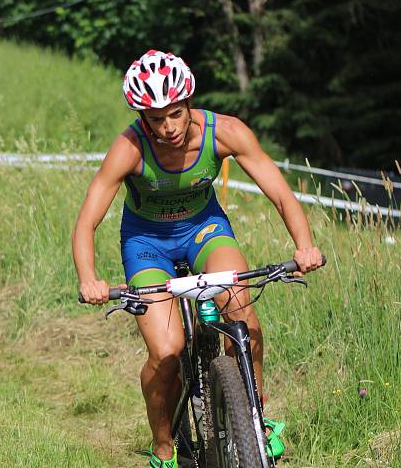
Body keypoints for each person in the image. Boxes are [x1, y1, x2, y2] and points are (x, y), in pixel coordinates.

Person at [72, 50, 323, 467]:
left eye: (175, 114)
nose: (168, 127)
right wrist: (89, 277)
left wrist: (304, 244)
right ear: (142, 117)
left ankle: (255, 422)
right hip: (147, 242)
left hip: (205, 231)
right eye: (156, 119)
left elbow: (280, 192)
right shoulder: (129, 148)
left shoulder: (225, 132)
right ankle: (164, 445)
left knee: (242, 316)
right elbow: (86, 222)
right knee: (168, 351)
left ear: (189, 103)